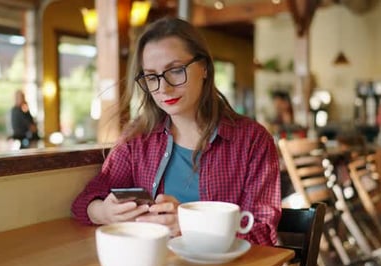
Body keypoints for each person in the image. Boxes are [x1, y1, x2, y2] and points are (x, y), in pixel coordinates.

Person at [71, 17, 280, 248]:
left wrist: (191, 229)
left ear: (204, 69)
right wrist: (104, 212)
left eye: (176, 70)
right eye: (151, 77)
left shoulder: (253, 140)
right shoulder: (137, 138)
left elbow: (263, 233)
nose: (164, 88)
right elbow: (84, 202)